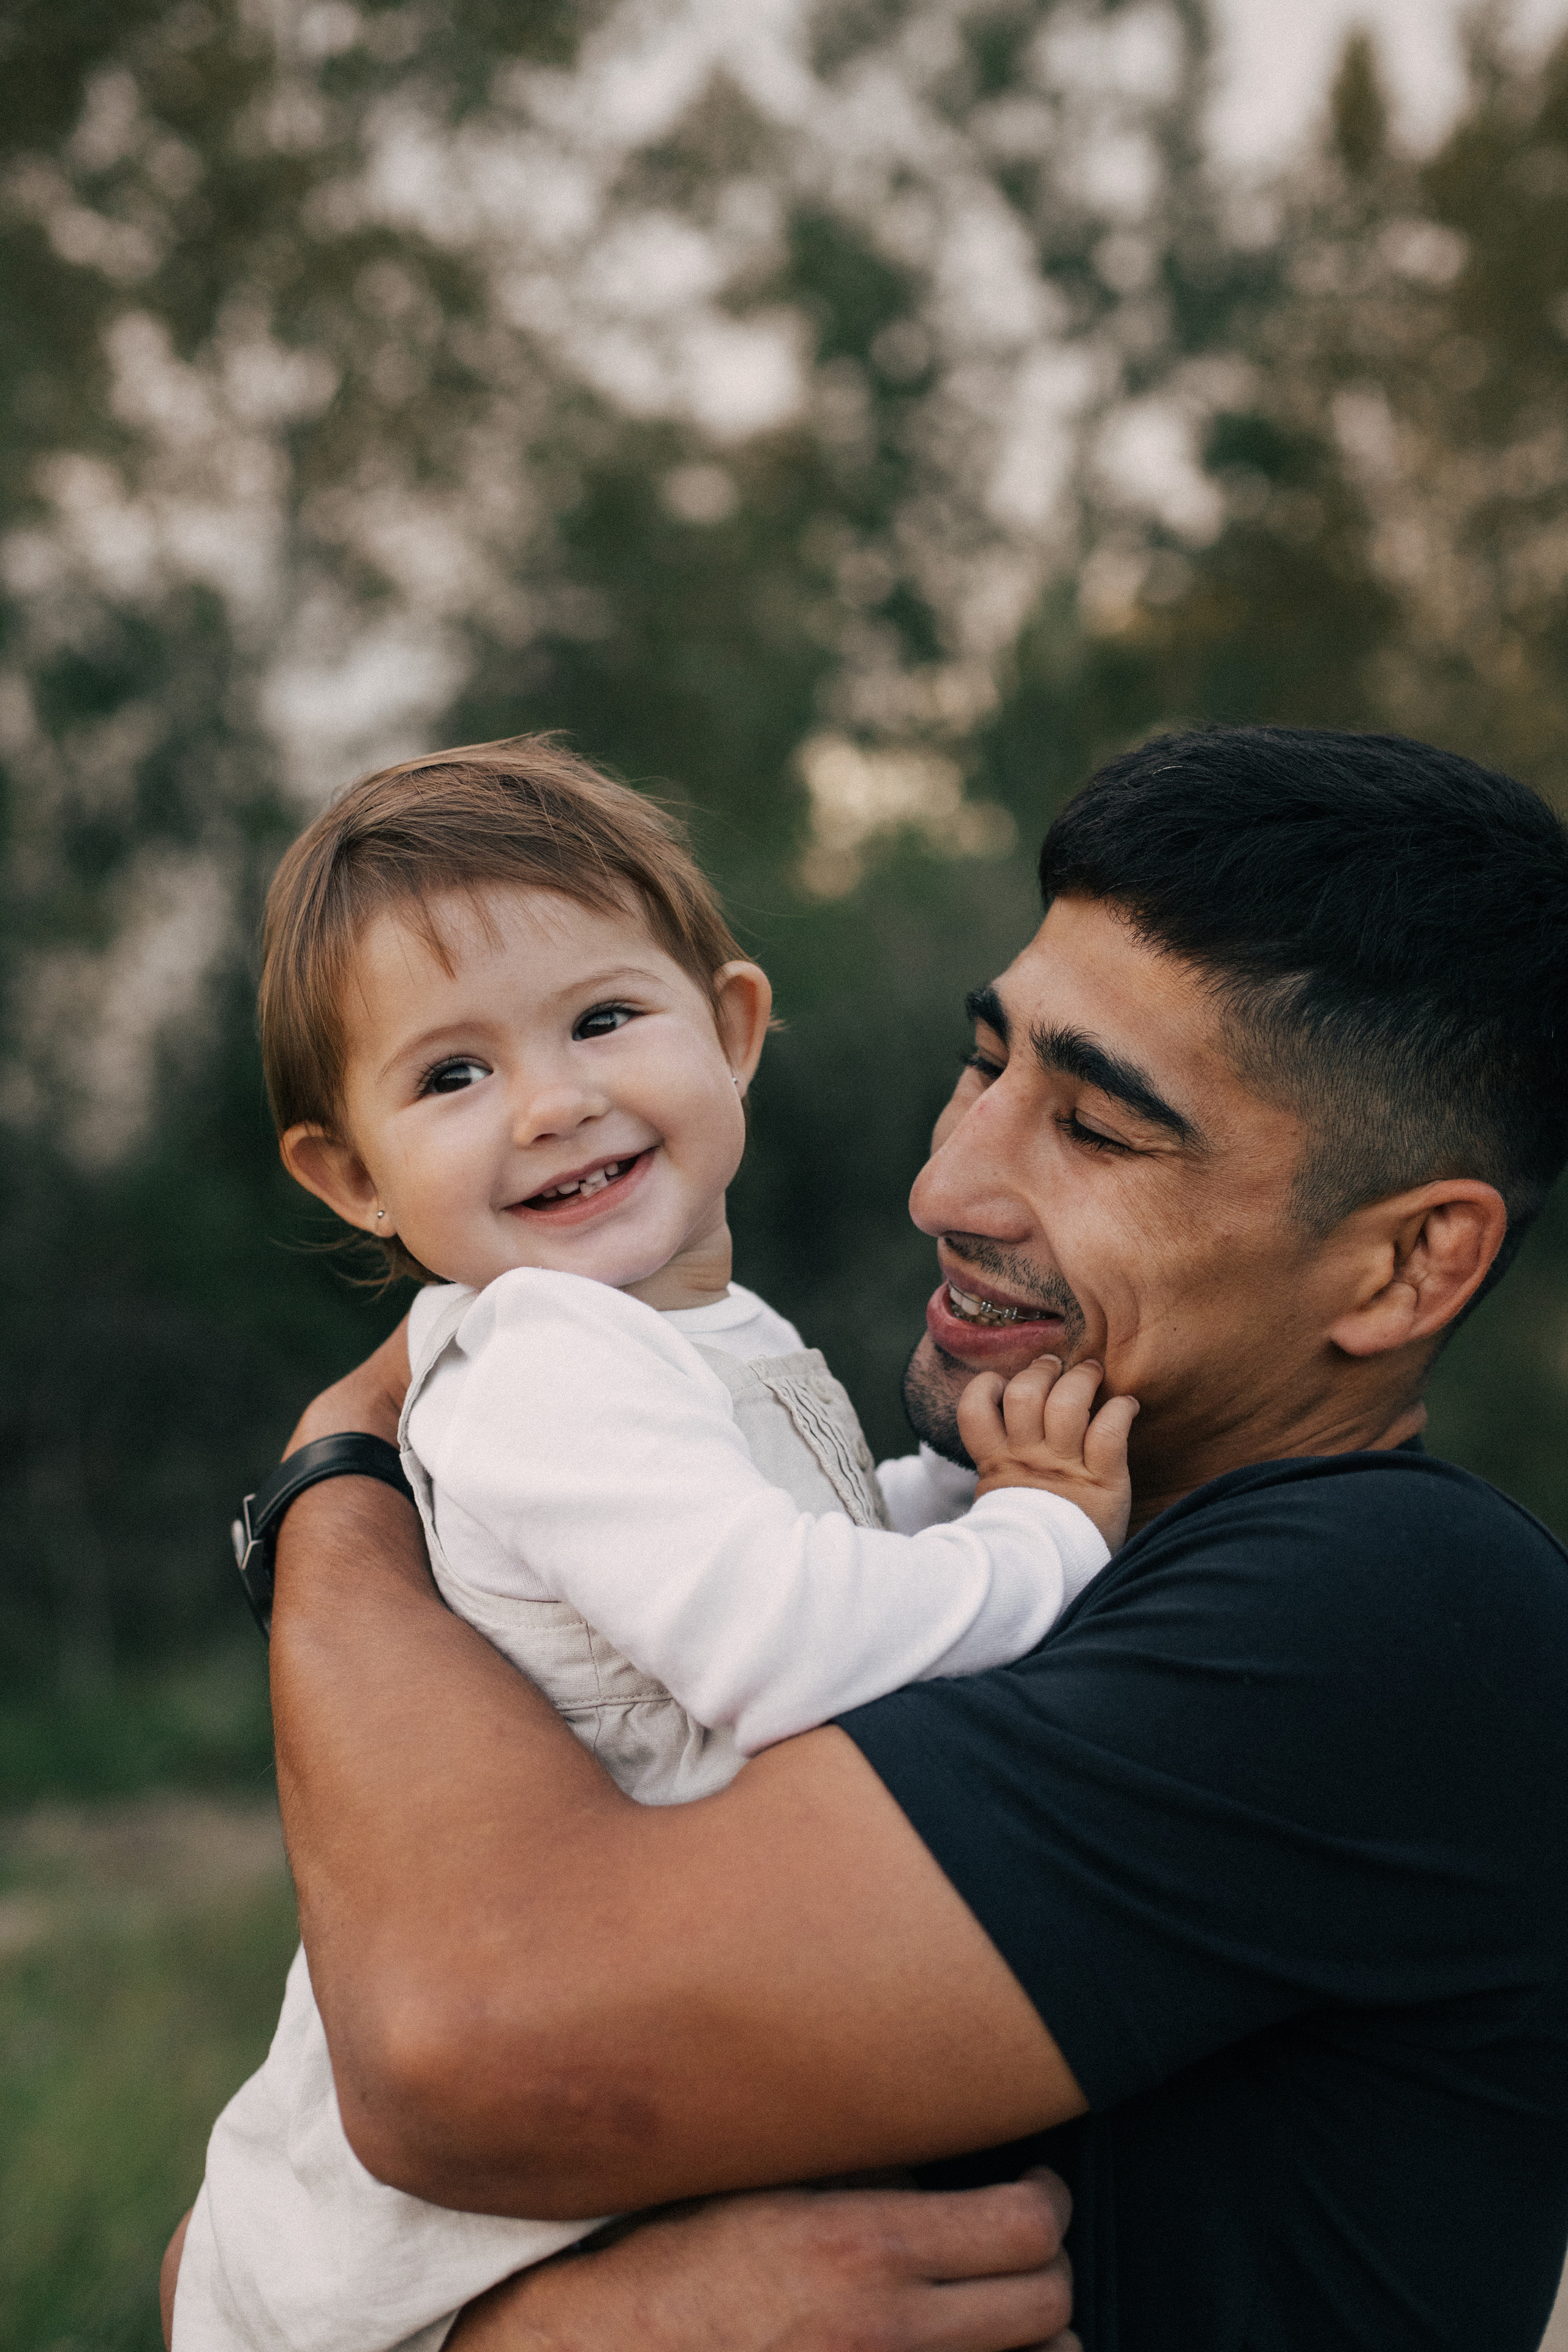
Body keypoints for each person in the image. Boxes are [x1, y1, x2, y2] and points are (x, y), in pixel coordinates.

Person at [168, 725, 1568, 2351]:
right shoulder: (1019, 1542)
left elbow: (455, 2050)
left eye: (1099, 1130)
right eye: (986, 1064)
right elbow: (230, 2245)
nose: (947, 1183)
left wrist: (334, 1481)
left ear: (1406, 1268)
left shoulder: (1394, 1613)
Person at [172, 739, 1138, 2352]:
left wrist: (951, 1498)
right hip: (463, 2211)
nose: (553, 1104)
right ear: (351, 1174)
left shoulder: (688, 1331)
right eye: (451, 1076)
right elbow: (788, 1648)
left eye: (603, 1019)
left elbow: (787, 1536)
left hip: (600, 2094)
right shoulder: (549, 1355)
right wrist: (1044, 1533)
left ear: (732, 1031)